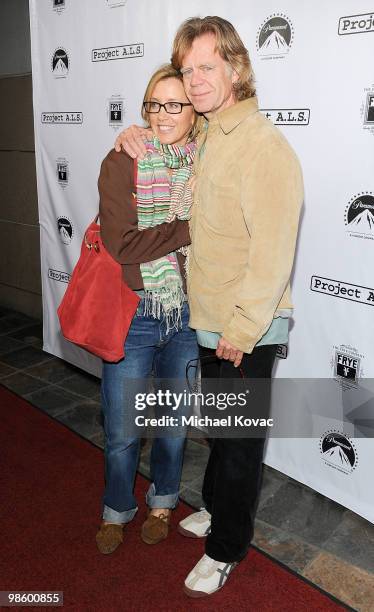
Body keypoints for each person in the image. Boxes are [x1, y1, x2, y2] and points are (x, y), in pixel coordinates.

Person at [115, 16, 303, 597]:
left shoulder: (264, 147)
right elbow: (162, 142)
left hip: (247, 325)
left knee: (239, 444)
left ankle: (226, 549)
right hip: (210, 320)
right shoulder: (211, 136)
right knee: (222, 433)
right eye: (188, 68)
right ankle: (219, 511)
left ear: (236, 69)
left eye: (206, 67)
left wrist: (242, 330)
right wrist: (130, 135)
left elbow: (272, 256)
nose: (194, 80)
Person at [96, 64, 199, 555]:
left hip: (186, 315)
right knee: (121, 427)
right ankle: (116, 509)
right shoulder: (123, 161)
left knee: (173, 425)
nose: (163, 115)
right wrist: (186, 227)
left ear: (194, 112)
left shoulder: (204, 164)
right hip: (134, 315)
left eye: (175, 104)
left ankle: (162, 501)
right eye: (155, 104)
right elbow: (123, 245)